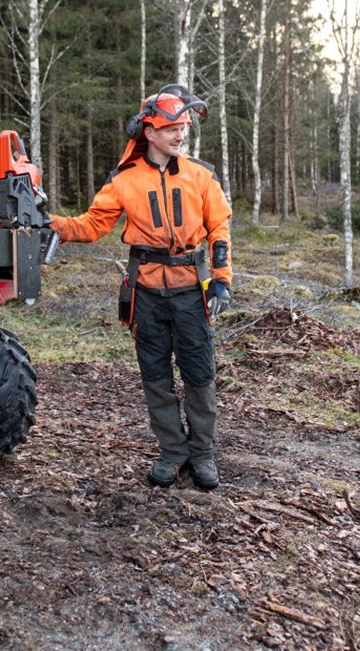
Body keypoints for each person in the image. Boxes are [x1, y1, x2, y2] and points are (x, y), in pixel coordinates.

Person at [48, 85, 233, 491]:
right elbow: (92, 225)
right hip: (146, 294)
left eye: (182, 127)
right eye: (170, 128)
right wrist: (55, 225)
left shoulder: (201, 176)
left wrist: (221, 281)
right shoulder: (124, 181)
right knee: (155, 376)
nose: (179, 135)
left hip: (190, 291)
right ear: (148, 132)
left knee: (199, 375)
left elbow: (219, 229)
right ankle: (173, 452)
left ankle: (202, 454)